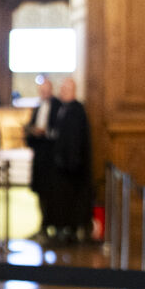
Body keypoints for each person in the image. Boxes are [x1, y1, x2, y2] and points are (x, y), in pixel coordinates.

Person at [52, 78, 94, 243]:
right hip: (64, 166)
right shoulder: (64, 109)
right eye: (62, 89)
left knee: (73, 200)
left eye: (65, 89)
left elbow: (75, 140)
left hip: (73, 167)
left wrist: (71, 162)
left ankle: (72, 230)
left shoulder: (76, 111)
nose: (62, 92)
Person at [25, 76, 62, 241]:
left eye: (46, 90)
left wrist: (45, 132)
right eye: (41, 90)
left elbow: (60, 132)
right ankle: (42, 226)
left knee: (52, 195)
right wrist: (31, 131)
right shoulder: (38, 107)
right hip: (39, 157)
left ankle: (52, 227)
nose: (43, 92)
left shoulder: (58, 106)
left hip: (52, 159)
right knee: (40, 193)